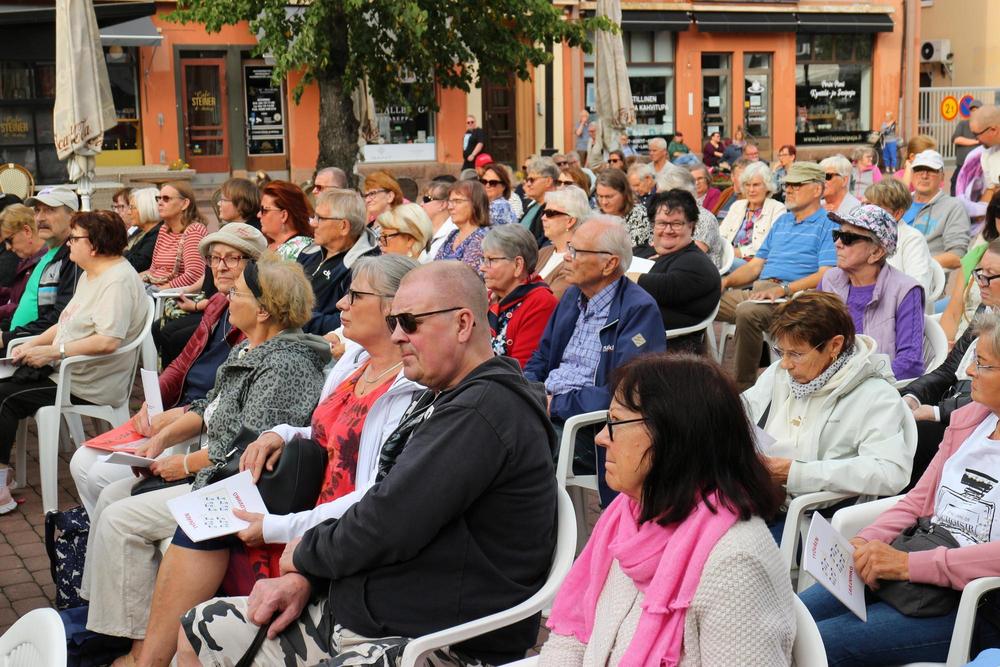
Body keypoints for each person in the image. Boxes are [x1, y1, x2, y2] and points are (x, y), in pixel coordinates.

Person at [178, 261, 558, 667]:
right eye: (394, 322)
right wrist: (307, 575)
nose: (397, 336)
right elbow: (385, 504)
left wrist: (305, 556)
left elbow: (388, 520)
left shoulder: (482, 412)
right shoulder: (448, 396)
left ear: (463, 324)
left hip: (437, 638)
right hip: (374, 610)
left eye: (409, 323)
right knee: (198, 629)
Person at [122, 255, 423, 666]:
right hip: (301, 498)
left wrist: (275, 526)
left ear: (392, 306)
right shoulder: (354, 365)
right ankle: (146, 657)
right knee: (200, 516)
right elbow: (316, 428)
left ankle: (149, 660)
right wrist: (277, 433)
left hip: (323, 521)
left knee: (200, 523)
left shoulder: (405, 388)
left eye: (354, 296)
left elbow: (372, 495)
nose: (341, 305)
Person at [80, 255, 329, 655]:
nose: (227, 297)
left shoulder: (286, 365)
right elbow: (210, 406)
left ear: (264, 310)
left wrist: (182, 464)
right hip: (211, 473)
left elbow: (248, 456)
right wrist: (164, 437)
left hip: (234, 489)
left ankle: (142, 650)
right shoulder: (250, 347)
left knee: (119, 518)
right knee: (111, 494)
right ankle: (115, 629)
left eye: (238, 293)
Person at [540, 353, 794, 666]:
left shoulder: (734, 565)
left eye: (616, 423)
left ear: (673, 434)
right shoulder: (628, 516)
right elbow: (572, 637)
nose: (602, 437)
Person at [800, 311, 1000, 666]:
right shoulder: (973, 419)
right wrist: (866, 541)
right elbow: (918, 500)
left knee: (818, 644)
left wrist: (907, 566)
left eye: (982, 365)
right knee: (786, 617)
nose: (969, 372)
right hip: (916, 562)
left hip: (972, 604)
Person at [70, 223, 268, 515]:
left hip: (201, 425)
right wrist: (150, 405)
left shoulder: (257, 318)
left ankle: (120, 536)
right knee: (81, 461)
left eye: (233, 258)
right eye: (215, 258)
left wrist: (177, 416)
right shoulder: (216, 304)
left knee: (102, 477)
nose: (221, 266)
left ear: (255, 267)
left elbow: (229, 401)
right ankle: (99, 534)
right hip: (179, 412)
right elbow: (183, 362)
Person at [0, 210, 146, 512]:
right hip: (68, 371)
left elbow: (108, 341)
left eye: (74, 239)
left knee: (4, 398)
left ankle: (1, 485)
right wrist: (32, 344)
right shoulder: (93, 273)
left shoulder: (116, 281)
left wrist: (53, 352)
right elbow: (66, 322)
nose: (69, 245)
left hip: (87, 381)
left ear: (93, 245)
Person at [742, 293, 914, 543]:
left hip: (812, 520)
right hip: (759, 499)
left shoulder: (875, 395)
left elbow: (890, 472)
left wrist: (796, 473)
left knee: (722, 554)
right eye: (781, 352)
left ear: (834, 345)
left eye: (797, 354)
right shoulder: (779, 374)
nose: (786, 364)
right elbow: (739, 413)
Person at [525, 216, 666, 505]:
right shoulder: (572, 297)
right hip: (546, 407)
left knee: (519, 448)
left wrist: (557, 404)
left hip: (592, 430)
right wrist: (525, 390)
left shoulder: (638, 311)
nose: (566, 256)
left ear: (609, 264)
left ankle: (535, 542)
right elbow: (542, 356)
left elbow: (626, 393)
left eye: (576, 251)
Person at [718, 161, 839, 391]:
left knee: (748, 312)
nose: (789, 190)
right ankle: (697, 377)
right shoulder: (783, 221)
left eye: (796, 185)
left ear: (816, 190)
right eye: (788, 185)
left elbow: (826, 274)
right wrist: (725, 281)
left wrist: (784, 289)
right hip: (760, 291)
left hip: (794, 299)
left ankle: (742, 390)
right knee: (702, 300)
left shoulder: (827, 224)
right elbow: (755, 266)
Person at [901, 238, 1000, 489]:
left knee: (916, 435)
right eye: (979, 272)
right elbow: (949, 369)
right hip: (956, 401)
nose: (980, 282)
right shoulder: (987, 310)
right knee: (892, 405)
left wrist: (936, 412)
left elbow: (992, 400)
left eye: (990, 276)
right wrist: (912, 395)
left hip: (981, 415)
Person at [819, 205, 926, 380]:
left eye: (848, 238)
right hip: (827, 381)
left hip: (876, 389)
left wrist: (858, 383)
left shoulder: (905, 290)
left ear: (876, 252)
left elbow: (910, 363)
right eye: (837, 235)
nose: (837, 243)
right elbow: (809, 336)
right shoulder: (830, 280)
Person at [629, 190, 721, 352]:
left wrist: (629, 277)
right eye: (662, 223)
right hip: (640, 333)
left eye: (677, 224)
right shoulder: (659, 254)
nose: (668, 230)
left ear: (691, 226)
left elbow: (665, 287)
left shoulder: (696, 262)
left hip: (663, 344)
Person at [1, 187, 81, 351]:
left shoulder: (74, 257)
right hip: (17, 345)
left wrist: (6, 338)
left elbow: (61, 319)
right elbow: (24, 307)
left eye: (50, 210)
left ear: (72, 216)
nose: (40, 218)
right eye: (37, 210)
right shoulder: (47, 257)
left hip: (34, 352)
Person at [298, 188, 380, 335]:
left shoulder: (364, 266)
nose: (313, 224)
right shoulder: (310, 251)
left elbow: (352, 318)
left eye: (320, 218)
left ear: (343, 226)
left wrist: (294, 318)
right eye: (314, 216)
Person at [482, 224, 557, 367]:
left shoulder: (541, 303)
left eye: (491, 260)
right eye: (483, 259)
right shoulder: (489, 297)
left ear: (518, 265)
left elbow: (520, 371)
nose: (482, 267)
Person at [865, 178, 935, 294]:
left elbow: (918, 288)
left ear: (897, 214)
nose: (867, 211)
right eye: (867, 204)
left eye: (876, 207)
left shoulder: (912, 239)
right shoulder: (864, 235)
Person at [905, 150, 972, 271]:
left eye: (931, 170)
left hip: (926, 280)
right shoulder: (900, 202)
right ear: (911, 173)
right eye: (919, 169)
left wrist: (916, 265)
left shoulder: (953, 207)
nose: (924, 175)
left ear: (942, 176)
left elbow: (957, 256)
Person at [140, 181, 208, 290]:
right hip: (155, 292)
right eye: (159, 198)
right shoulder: (164, 229)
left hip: (175, 297)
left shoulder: (194, 231)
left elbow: (194, 275)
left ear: (184, 203)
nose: (160, 203)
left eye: (166, 199)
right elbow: (153, 270)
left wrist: (159, 291)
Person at [654, 167, 725, 269]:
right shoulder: (667, 217)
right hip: (671, 266)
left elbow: (690, 256)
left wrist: (657, 258)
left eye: (662, 194)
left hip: (696, 273)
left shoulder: (704, 219)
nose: (658, 198)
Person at [718, 161, 786, 263]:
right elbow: (720, 235)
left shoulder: (777, 208)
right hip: (728, 258)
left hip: (755, 262)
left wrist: (740, 252)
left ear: (767, 186)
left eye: (756, 185)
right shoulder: (737, 206)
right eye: (747, 185)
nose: (751, 190)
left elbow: (772, 244)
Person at [536, 186, 591, 300]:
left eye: (550, 213)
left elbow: (549, 302)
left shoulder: (576, 261)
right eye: (544, 212)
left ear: (570, 221)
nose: (543, 218)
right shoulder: (543, 252)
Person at [0, 204, 48, 327]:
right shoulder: (29, 260)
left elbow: (29, 305)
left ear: (27, 231)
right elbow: (16, 295)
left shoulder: (45, 262)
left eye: (9, 240)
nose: (8, 247)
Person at [434, 179, 491, 273]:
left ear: (475, 204)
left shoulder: (482, 237)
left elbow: (466, 275)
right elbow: (434, 267)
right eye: (450, 201)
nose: (450, 207)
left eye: (457, 201)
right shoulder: (453, 235)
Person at [257, 180, 314, 260]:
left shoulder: (302, 250)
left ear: (284, 215)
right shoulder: (266, 243)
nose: (258, 215)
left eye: (264, 210)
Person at [595, 168, 650, 247]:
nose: (604, 202)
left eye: (609, 196)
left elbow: (631, 249)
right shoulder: (595, 215)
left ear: (624, 194)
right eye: (600, 196)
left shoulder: (638, 214)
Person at [122, 187, 162, 273]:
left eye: (132, 207)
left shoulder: (157, 235)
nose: (129, 212)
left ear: (146, 208)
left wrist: (120, 248)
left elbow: (137, 265)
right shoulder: (142, 232)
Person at [520, 157, 559, 242]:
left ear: (548, 181)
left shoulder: (554, 210)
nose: (528, 184)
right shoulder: (533, 205)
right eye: (527, 180)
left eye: (532, 180)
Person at [951, 99, 983, 196]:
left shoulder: (984, 126)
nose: (974, 112)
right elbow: (956, 139)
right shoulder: (963, 124)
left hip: (978, 166)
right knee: (955, 184)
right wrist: (976, 142)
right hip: (962, 164)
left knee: (974, 190)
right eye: (972, 110)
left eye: (977, 110)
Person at [419, 181, 454, 260]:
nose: (421, 204)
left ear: (443, 205)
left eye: (426, 199)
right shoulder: (421, 228)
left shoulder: (454, 232)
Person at [971, 105, 1000, 200]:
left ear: (993, 130)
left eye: (976, 134)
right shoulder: (986, 155)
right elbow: (992, 190)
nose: (976, 140)